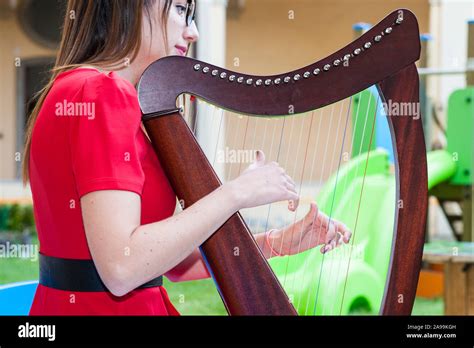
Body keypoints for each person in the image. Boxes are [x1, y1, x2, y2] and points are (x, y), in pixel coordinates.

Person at [24, 0, 351, 315]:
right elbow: (122, 267)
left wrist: (279, 241)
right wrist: (237, 192)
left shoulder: (73, 90)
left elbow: (172, 263)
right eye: (181, 9)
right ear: (132, 8)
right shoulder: (105, 94)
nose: (193, 32)